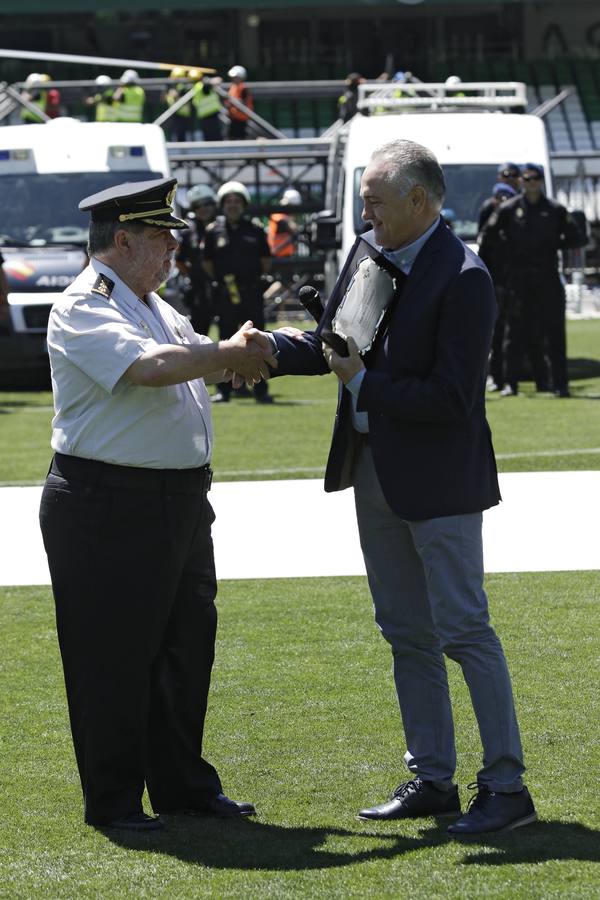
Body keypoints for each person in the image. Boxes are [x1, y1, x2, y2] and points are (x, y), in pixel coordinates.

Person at [250, 139, 537, 835]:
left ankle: (507, 790)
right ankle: (431, 778)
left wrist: (365, 384)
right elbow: (335, 343)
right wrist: (266, 349)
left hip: (439, 479)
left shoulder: (465, 276)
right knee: (406, 631)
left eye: (377, 198)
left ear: (421, 200)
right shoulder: (370, 251)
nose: (365, 209)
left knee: (465, 629)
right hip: (373, 469)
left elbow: (452, 397)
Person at [38, 177, 276, 831]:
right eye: (162, 238)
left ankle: (182, 787)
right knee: (111, 656)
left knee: (183, 647)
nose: (173, 249)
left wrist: (239, 352)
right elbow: (149, 369)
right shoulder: (85, 305)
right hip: (107, 502)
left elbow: (191, 357)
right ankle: (114, 802)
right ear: (123, 240)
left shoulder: (155, 305)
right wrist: (223, 353)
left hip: (174, 502)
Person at [482, 162, 584, 397]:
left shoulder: (555, 209)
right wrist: (505, 255)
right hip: (518, 278)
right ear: (522, 182)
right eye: (527, 179)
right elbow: (488, 235)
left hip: (547, 276)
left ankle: (560, 385)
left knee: (554, 332)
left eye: (535, 178)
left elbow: (575, 237)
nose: (531, 183)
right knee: (512, 333)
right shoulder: (509, 209)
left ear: (541, 181)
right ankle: (510, 383)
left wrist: (555, 245)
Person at [202, 180, 273, 404]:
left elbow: (266, 262)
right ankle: (224, 391)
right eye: (229, 201)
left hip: (251, 293)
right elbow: (207, 263)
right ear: (223, 204)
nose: (233, 205)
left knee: (256, 341)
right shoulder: (213, 231)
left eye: (237, 201)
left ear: (244, 204)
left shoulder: (255, 230)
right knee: (224, 342)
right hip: (225, 295)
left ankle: (260, 390)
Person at [477, 182, 518, 392]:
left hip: (515, 283)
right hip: (496, 283)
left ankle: (510, 379)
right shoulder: (491, 220)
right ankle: (496, 376)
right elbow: (483, 248)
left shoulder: (517, 222)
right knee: (496, 334)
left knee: (511, 334)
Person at [176, 183, 218, 334]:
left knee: (231, 330)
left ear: (214, 204)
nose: (203, 208)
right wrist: (193, 274)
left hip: (224, 287)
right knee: (199, 331)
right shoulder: (188, 230)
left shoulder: (222, 227)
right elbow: (179, 260)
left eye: (207, 203)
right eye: (198, 205)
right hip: (199, 290)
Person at [478, 163, 521, 232]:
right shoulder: (490, 205)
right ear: (499, 177)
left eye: (514, 175)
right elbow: (482, 235)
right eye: (506, 175)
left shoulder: (525, 203)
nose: (510, 178)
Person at [163, 67, 194, 142]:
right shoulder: (172, 86)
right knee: (174, 132)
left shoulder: (184, 87)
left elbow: (178, 95)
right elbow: (166, 97)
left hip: (182, 113)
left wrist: (175, 94)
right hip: (173, 112)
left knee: (181, 134)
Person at [267, 188, 301, 257]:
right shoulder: (280, 218)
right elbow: (294, 229)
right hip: (279, 256)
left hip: (283, 254)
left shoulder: (280, 216)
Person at [192, 73, 223, 141]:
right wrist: (210, 80)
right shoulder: (201, 85)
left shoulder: (196, 87)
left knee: (209, 137)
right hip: (210, 114)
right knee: (215, 137)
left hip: (206, 115)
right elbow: (218, 80)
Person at [225, 65, 253, 139]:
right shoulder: (233, 87)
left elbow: (243, 102)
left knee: (240, 138)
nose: (234, 79)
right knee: (231, 137)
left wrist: (232, 102)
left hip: (241, 119)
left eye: (236, 77)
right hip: (234, 117)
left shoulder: (243, 88)